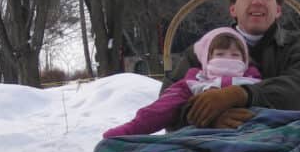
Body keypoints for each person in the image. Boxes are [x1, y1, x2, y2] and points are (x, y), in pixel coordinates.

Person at [163, 0, 300, 130]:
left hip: (284, 140)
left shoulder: (299, 47)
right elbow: (167, 103)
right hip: (209, 147)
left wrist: (241, 94)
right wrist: (208, 120)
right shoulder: (202, 51)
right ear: (233, 9)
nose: (257, 1)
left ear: (278, 10)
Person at [103, 28, 261, 138]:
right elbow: (161, 109)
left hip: (253, 137)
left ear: (245, 61)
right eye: (220, 54)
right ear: (206, 59)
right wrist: (131, 129)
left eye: (235, 55)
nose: (227, 60)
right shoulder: (194, 83)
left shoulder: (255, 83)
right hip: (205, 140)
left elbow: (275, 105)